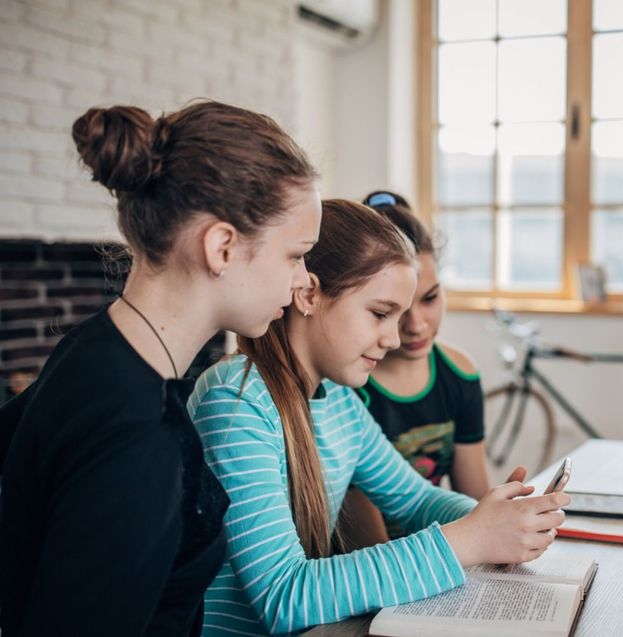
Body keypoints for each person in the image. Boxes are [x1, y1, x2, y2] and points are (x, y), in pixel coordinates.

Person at [0, 101, 321, 636]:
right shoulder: (139, 440)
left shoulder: (91, 347)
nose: (303, 280)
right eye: (296, 255)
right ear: (222, 247)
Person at [187, 199, 568, 637]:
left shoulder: (339, 402)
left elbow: (416, 501)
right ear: (309, 294)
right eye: (380, 313)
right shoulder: (236, 400)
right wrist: (473, 538)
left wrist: (499, 520)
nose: (392, 338)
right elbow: (284, 595)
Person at [343, 191, 489, 541]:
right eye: (391, 309)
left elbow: (474, 501)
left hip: (442, 559)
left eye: (430, 298)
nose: (416, 325)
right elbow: (367, 547)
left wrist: (503, 516)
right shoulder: (346, 383)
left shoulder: (458, 373)